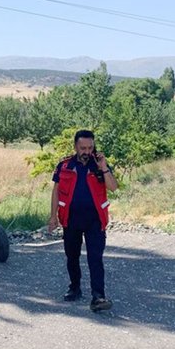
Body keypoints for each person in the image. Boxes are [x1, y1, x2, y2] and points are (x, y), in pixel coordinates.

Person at [48, 129, 118, 312]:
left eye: (90, 147)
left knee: (95, 258)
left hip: (95, 220)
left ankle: (98, 296)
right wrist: (52, 215)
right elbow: (56, 191)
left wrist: (103, 166)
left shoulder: (99, 165)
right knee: (72, 256)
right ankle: (74, 287)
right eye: (83, 148)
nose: (87, 151)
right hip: (70, 219)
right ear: (75, 147)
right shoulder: (64, 166)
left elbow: (113, 187)